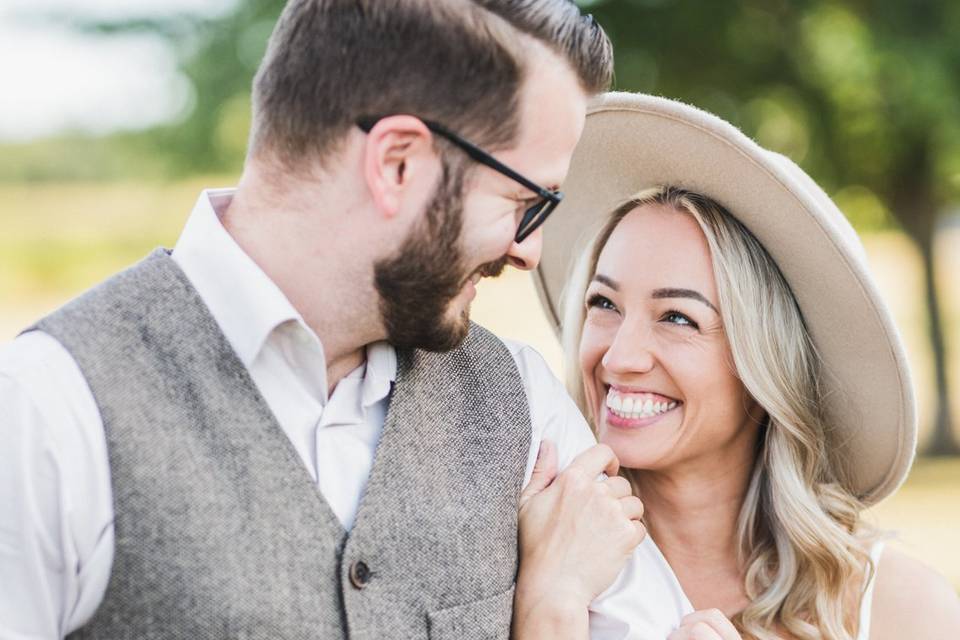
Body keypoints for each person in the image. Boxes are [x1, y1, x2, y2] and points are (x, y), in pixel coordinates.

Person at [0, 5, 687, 640]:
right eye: (526, 202)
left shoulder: (522, 404)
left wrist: (552, 602)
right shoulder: (43, 413)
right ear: (396, 163)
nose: (528, 249)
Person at [527, 92, 960, 639]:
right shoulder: (527, 548)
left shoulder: (898, 610)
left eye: (677, 318)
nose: (619, 357)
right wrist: (551, 604)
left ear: (765, 365)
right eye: (605, 304)